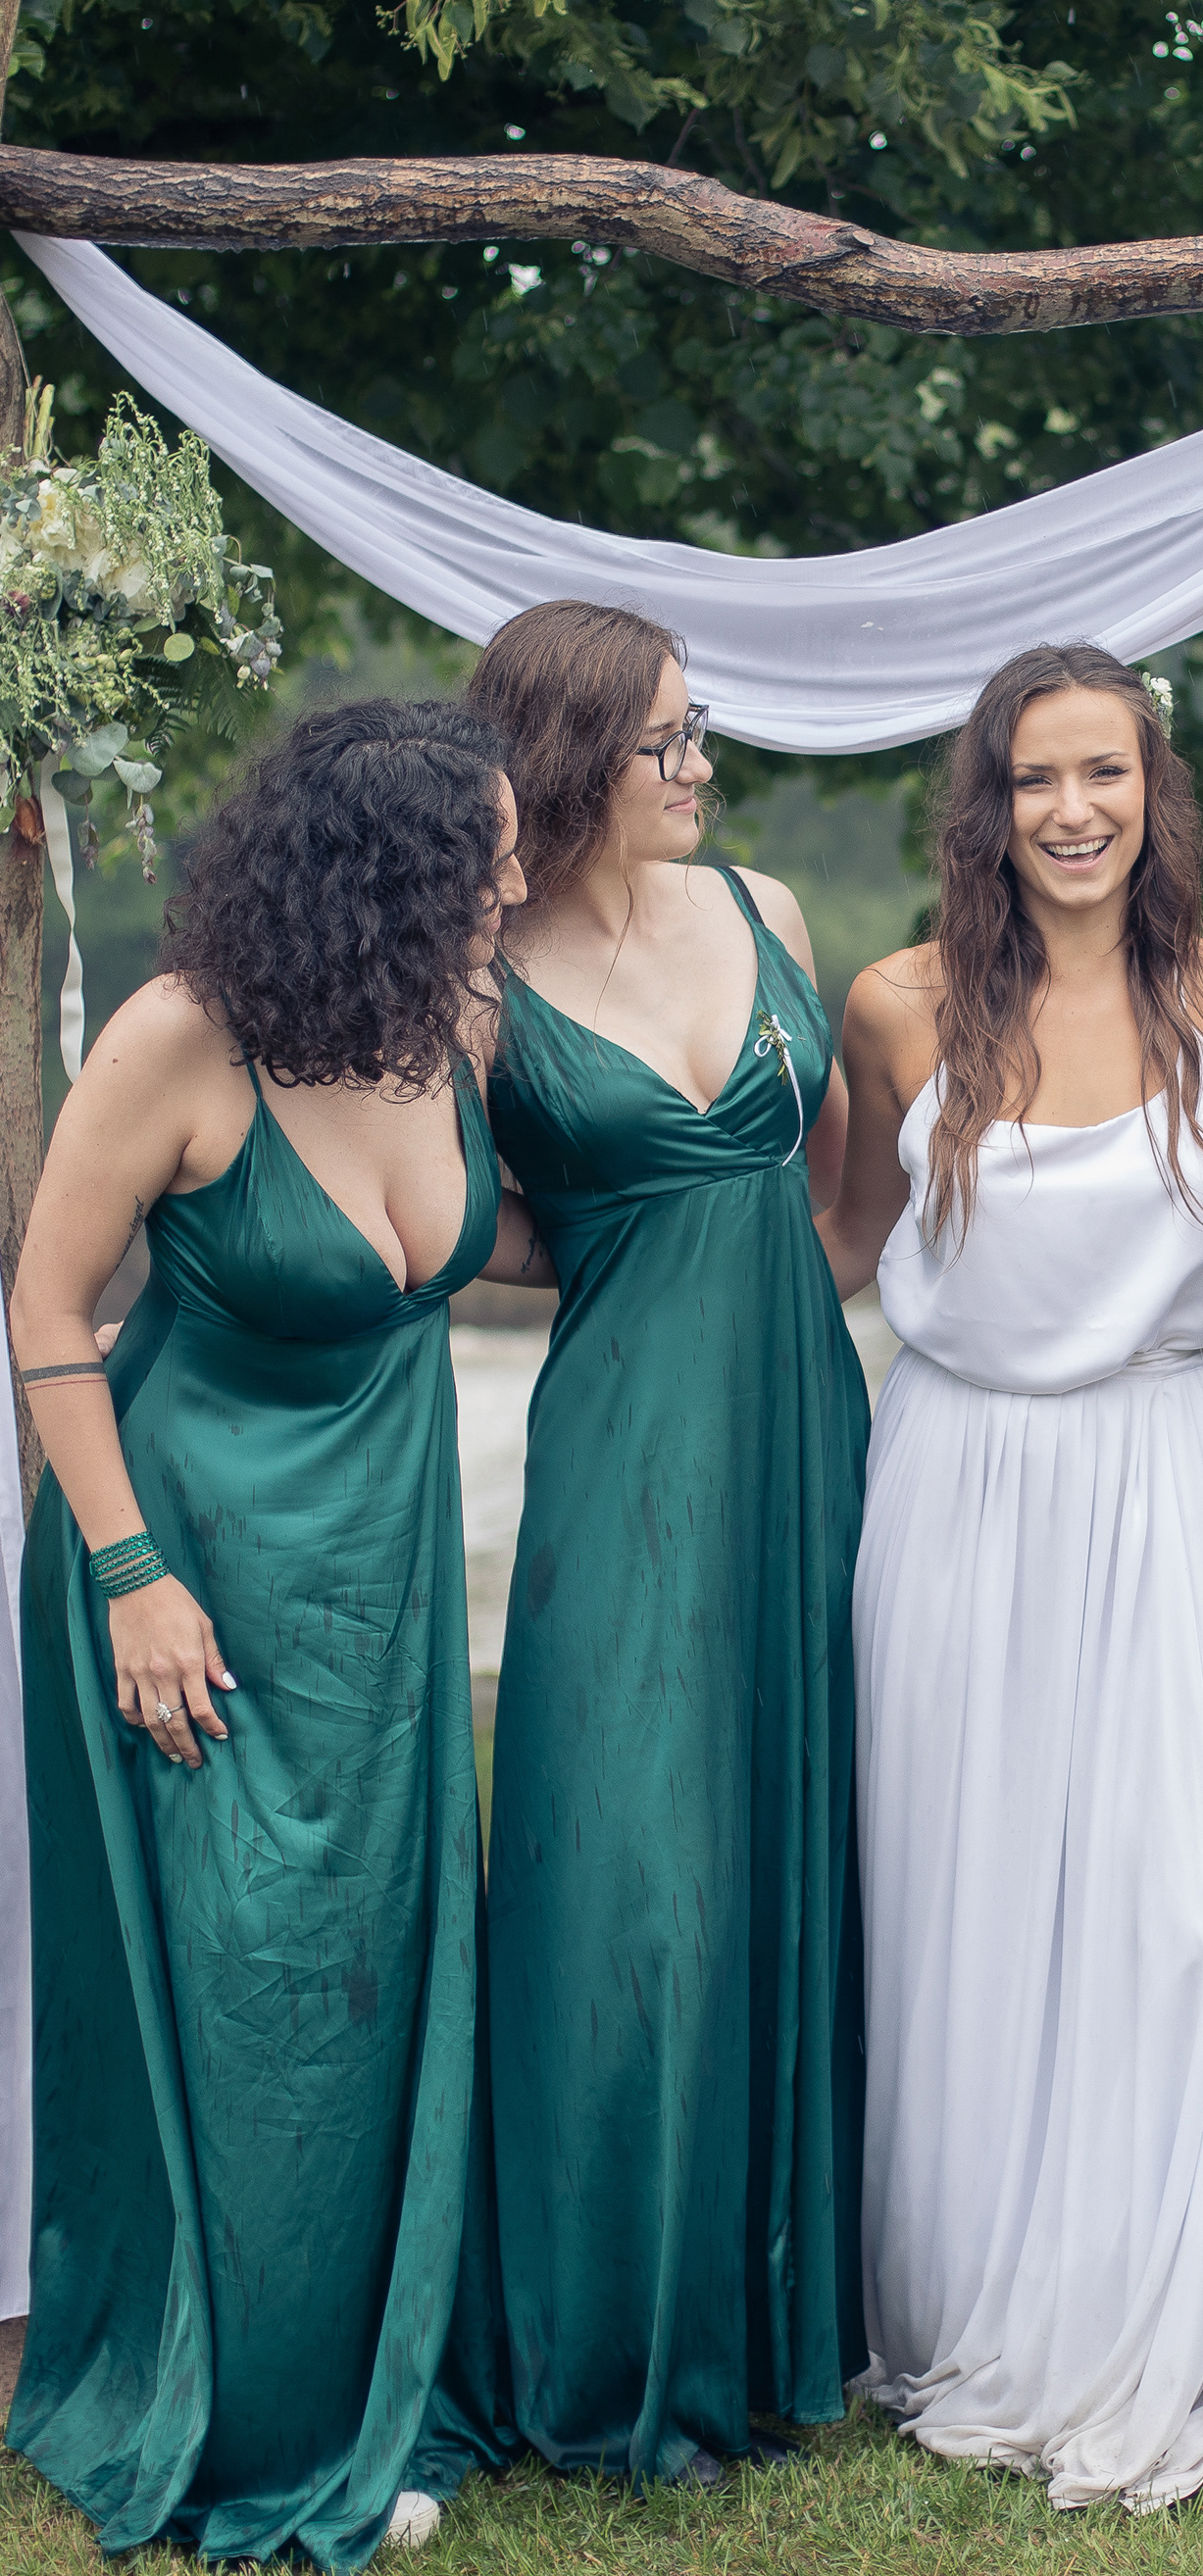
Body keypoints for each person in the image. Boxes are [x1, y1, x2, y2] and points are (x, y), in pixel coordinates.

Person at [5, 700, 542, 2569]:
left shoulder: (452, 1029)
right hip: (184, 1566)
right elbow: (49, 1309)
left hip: (376, 1587)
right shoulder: (180, 1036)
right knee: (235, 1988)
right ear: (390, 871)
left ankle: (371, 2371)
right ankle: (235, 2406)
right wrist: (129, 1573)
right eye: (490, 858)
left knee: (370, 1967)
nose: (516, 887)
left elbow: (521, 1235)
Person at [818, 643, 1203, 2510]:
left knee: (1178, 1902)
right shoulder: (899, 1007)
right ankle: (966, 2290)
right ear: (989, 806)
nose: (1074, 811)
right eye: (1035, 779)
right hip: (957, 1485)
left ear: (1155, 794)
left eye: (1107, 773)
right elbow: (842, 1244)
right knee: (972, 1891)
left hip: (1169, 1477)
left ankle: (1138, 2302)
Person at [466, 600, 869, 2486]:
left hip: (803, 1424)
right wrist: (610, 1243)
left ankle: (775, 2314)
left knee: (790, 1831)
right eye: (669, 742)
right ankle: (610, 2325)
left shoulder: (769, 913)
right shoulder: (482, 971)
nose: (702, 767)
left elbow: (831, 1185)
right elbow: (446, 1208)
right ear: (570, 762)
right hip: (622, 1435)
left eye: (702, 733)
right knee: (630, 1853)